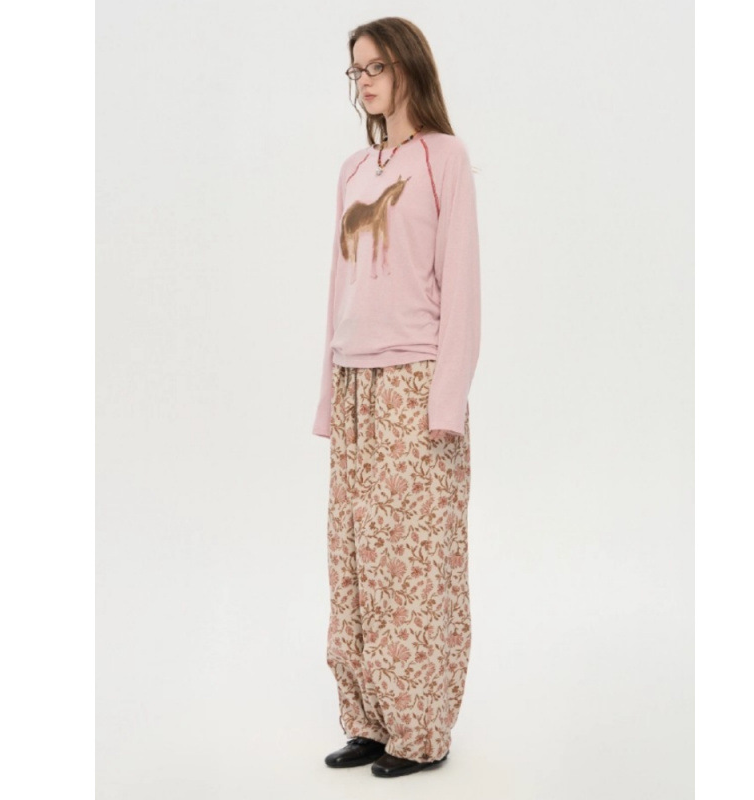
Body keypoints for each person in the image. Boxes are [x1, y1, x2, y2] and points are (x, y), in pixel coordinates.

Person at [313, 16, 481, 779]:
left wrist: (446, 404)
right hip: (355, 383)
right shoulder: (354, 170)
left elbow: (463, 286)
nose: (365, 81)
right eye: (356, 70)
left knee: (415, 562)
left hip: (415, 381)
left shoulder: (445, 159)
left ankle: (420, 730)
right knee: (356, 559)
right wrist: (328, 398)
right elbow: (338, 289)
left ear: (408, 67)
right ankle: (370, 721)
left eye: (376, 66)